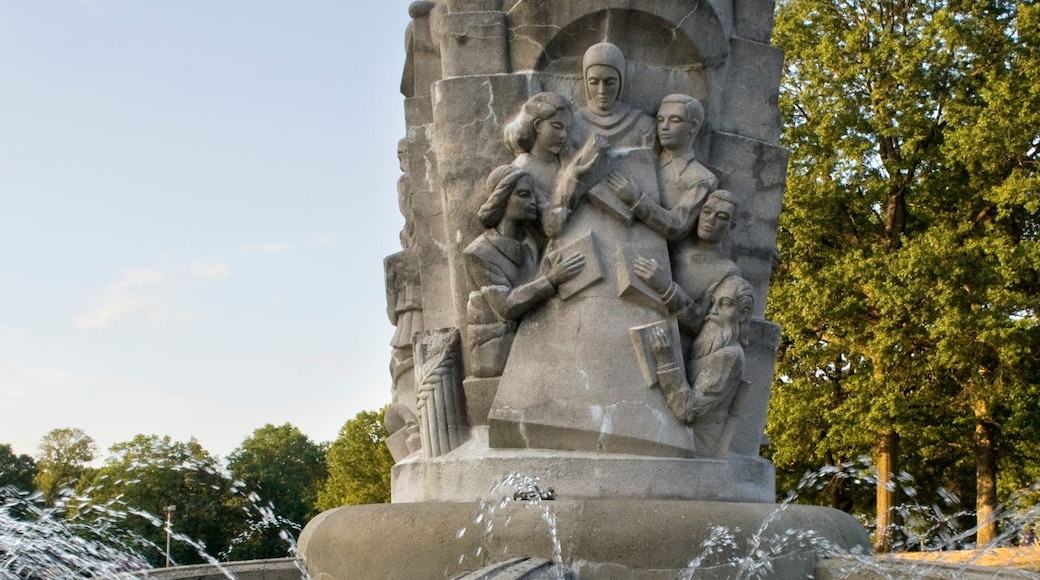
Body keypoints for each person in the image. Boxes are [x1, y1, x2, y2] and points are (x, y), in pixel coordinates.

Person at [464, 165, 585, 377]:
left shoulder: (530, 244)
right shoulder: (478, 253)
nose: (533, 201)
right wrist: (551, 279)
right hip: (496, 351)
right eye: (523, 195)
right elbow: (506, 307)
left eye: (533, 195)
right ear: (501, 199)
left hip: (534, 336)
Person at [633, 189, 742, 340]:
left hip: (666, 338)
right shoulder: (677, 243)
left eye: (721, 217)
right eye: (707, 211)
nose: (710, 219)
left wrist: (666, 287)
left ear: (732, 225)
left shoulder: (728, 271)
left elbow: (699, 323)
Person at [606, 94, 718, 242]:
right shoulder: (642, 159)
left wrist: (636, 199)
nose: (664, 126)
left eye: (675, 120)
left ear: (694, 126)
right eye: (660, 120)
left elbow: (678, 226)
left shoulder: (702, 178)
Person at [649, 275, 754, 425]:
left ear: (743, 313)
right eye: (712, 303)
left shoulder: (729, 356)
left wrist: (665, 359)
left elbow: (688, 411)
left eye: (724, 303)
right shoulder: (710, 344)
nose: (713, 311)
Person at [574, 42, 656, 149]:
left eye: (610, 82)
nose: (601, 91)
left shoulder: (644, 125)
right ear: (586, 82)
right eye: (594, 82)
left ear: (621, 82)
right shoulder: (572, 124)